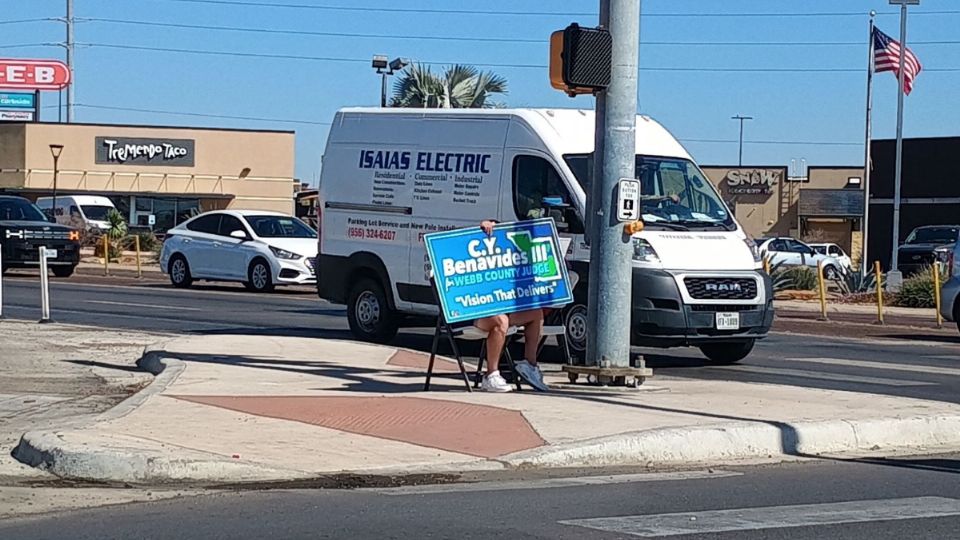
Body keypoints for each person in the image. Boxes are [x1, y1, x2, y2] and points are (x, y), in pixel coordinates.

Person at [475, 219, 548, 392]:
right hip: (477, 312)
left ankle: (529, 365)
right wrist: (484, 226)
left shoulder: (510, 262)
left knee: (536, 313)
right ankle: (491, 374)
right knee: (501, 321)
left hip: (504, 309)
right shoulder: (480, 252)